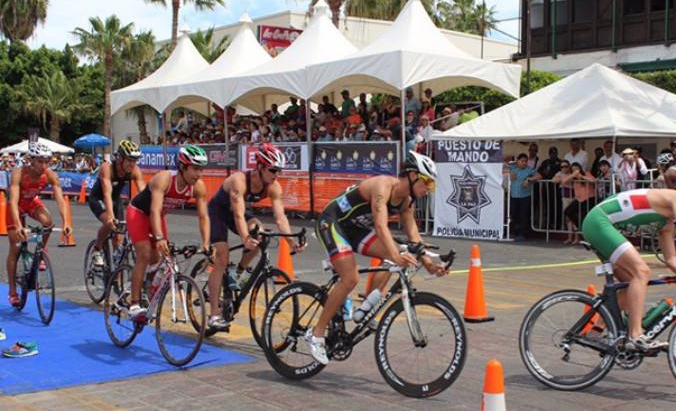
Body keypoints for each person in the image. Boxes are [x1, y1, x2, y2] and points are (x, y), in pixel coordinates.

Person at [306, 152, 447, 364]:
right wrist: (395, 255)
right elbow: (381, 226)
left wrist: (429, 264)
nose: (428, 188)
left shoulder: (406, 201)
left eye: (431, 185)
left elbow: (414, 237)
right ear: (411, 175)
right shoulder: (383, 186)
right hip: (332, 222)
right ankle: (316, 334)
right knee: (350, 278)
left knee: (400, 253)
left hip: (355, 229)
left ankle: (367, 308)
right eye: (426, 181)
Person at [581, 179, 676, 350]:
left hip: (600, 225)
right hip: (599, 222)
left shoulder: (667, 222)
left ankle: (596, 332)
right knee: (642, 272)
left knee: (630, 284)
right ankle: (636, 335)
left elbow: (671, 260)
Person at [205, 144, 299, 330]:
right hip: (218, 213)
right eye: (273, 170)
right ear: (260, 167)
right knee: (222, 258)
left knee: (261, 234)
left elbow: (280, 217)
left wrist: (291, 241)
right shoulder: (239, 180)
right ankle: (214, 314)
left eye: (278, 171)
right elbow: (239, 215)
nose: (276, 175)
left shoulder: (273, 186)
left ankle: (237, 272)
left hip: (235, 214)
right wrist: (246, 238)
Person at [124, 145, 210, 318]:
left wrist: (207, 244)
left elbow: (203, 217)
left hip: (158, 217)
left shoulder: (198, 187)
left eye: (201, 169)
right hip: (139, 213)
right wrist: (159, 238)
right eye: (195, 169)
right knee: (145, 254)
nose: (199, 174)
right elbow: (154, 210)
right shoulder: (164, 178)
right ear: (183, 166)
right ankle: (133, 303)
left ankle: (145, 284)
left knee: (160, 259)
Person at [6, 143, 72, 306]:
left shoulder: (50, 175)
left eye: (46, 162)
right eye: (40, 162)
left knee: (48, 222)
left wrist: (66, 222)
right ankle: (13, 291)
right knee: (15, 246)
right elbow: (13, 202)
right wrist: (18, 225)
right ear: (31, 160)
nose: (44, 166)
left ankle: (40, 250)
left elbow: (60, 200)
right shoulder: (19, 173)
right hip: (15, 206)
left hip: (30, 202)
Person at [88, 140, 146, 267]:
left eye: (135, 160)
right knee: (109, 224)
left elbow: (144, 194)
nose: (133, 164)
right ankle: (97, 249)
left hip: (116, 200)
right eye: (130, 160)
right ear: (120, 159)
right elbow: (107, 193)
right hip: (99, 198)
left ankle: (117, 277)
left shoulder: (135, 170)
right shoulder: (107, 168)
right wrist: (110, 217)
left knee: (118, 239)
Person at [506, 153, 537, 240]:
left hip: (525, 196)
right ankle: (515, 232)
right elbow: (501, 168)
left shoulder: (529, 170)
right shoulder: (513, 168)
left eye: (525, 161)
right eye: (522, 161)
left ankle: (522, 234)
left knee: (524, 216)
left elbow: (539, 176)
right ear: (518, 161)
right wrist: (509, 172)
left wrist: (529, 179)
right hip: (514, 196)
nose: (524, 163)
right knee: (513, 215)